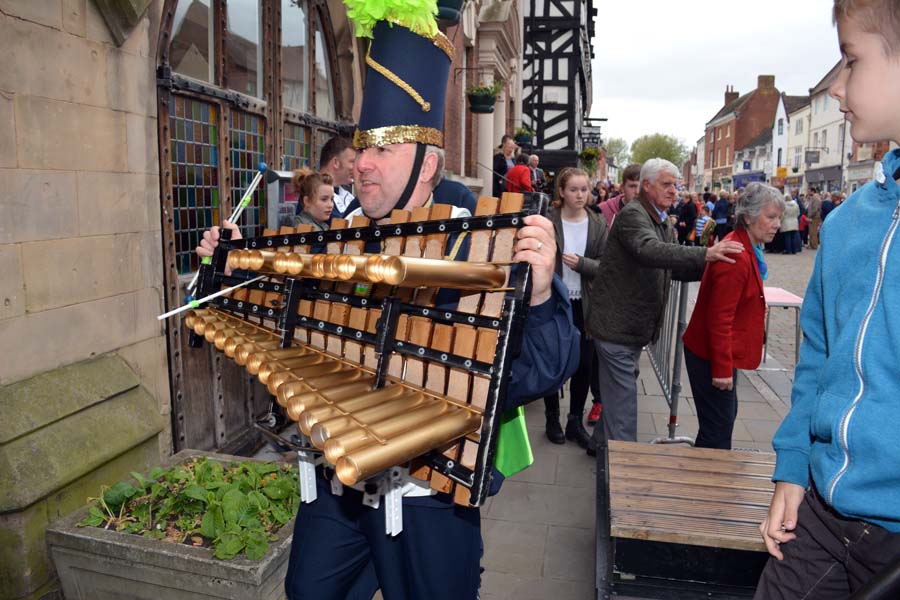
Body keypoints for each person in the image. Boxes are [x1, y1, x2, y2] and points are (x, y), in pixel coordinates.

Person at [199, 11, 579, 600]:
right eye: (360, 148)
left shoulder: (473, 244)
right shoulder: (331, 240)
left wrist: (540, 292)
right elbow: (268, 325)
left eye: (385, 148)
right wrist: (221, 267)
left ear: (428, 164)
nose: (362, 163)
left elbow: (538, 372)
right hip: (337, 476)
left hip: (430, 494)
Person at [755, 1, 900, 597]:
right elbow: (817, 355)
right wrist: (793, 465)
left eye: (851, 60)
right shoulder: (846, 223)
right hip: (820, 514)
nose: (837, 85)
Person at [585, 158, 744, 449]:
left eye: (676, 185)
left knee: (618, 399)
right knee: (623, 419)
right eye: (667, 184)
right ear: (646, 186)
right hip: (616, 328)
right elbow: (650, 250)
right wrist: (706, 255)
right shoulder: (634, 215)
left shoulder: (659, 219)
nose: (674, 191)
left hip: (630, 328)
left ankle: (598, 446)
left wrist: (716, 267)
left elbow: (672, 267)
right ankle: (620, 480)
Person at [682, 183, 785, 450]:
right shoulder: (736, 256)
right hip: (709, 356)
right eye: (771, 217)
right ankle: (706, 485)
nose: (777, 224)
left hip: (714, 353)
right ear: (750, 217)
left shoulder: (744, 247)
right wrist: (722, 369)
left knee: (718, 425)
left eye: (779, 218)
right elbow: (720, 318)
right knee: (717, 435)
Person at [542, 167, 608, 447]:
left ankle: (574, 421)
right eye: (573, 189)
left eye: (584, 189)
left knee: (584, 363)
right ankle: (552, 418)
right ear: (561, 192)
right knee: (553, 360)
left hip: (587, 302)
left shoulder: (598, 223)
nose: (580, 195)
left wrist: (583, 264)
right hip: (555, 299)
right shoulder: (548, 221)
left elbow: (607, 265)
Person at [317, 136, 358, 218]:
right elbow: (340, 224)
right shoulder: (312, 190)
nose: (356, 167)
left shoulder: (347, 195)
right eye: (352, 162)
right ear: (336, 162)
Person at [597, 163, 641, 231]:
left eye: (641, 187)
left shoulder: (653, 213)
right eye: (632, 186)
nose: (637, 192)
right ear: (622, 188)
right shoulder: (602, 210)